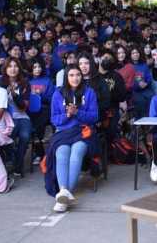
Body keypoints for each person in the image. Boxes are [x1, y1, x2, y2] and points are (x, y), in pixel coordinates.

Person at [46, 66, 99, 213]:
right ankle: (65, 191)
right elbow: (55, 120)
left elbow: (94, 117)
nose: (75, 78)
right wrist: (67, 115)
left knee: (77, 153)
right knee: (62, 153)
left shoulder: (89, 92)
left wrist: (77, 113)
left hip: (83, 131)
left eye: (78, 75)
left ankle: (63, 195)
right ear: (66, 77)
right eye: (71, 75)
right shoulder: (58, 94)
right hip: (63, 132)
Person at [0, 58, 32, 177]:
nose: (13, 69)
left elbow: (24, 107)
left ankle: (18, 165)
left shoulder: (25, 83)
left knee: (25, 136)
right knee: (7, 137)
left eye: (15, 66)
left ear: (19, 68)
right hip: (5, 117)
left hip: (22, 116)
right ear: (5, 68)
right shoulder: (0, 82)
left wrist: (14, 95)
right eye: (10, 66)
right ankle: (11, 160)